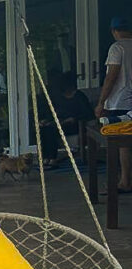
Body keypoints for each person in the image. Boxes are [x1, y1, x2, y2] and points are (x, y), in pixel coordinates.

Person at [95, 17, 132, 191]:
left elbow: (112, 76)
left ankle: (125, 181)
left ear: (114, 31)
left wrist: (101, 102)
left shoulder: (117, 48)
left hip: (120, 100)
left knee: (122, 142)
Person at [39, 72, 94, 167]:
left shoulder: (79, 96)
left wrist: (72, 119)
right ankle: (45, 157)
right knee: (45, 128)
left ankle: (52, 157)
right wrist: (46, 120)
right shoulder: (57, 97)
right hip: (59, 121)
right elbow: (52, 112)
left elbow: (88, 114)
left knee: (52, 129)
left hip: (74, 124)